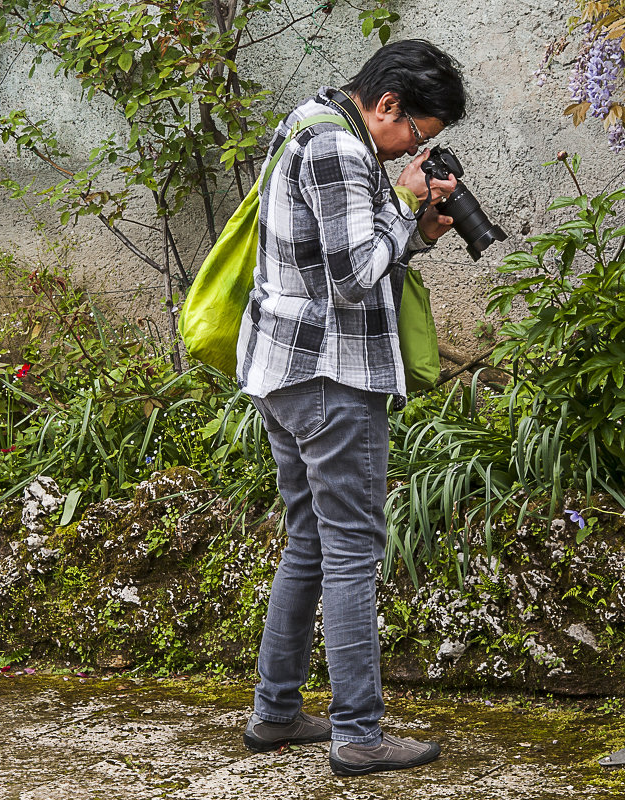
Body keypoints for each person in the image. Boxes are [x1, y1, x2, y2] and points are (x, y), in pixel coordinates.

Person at [235, 40, 466, 775]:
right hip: (332, 377)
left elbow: (345, 250)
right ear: (389, 103)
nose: (419, 149)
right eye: (420, 135)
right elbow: (353, 278)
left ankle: (274, 713)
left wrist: (414, 235)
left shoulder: (311, 117)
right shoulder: (339, 148)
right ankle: (358, 733)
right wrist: (405, 202)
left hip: (283, 369)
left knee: (309, 538)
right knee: (351, 552)